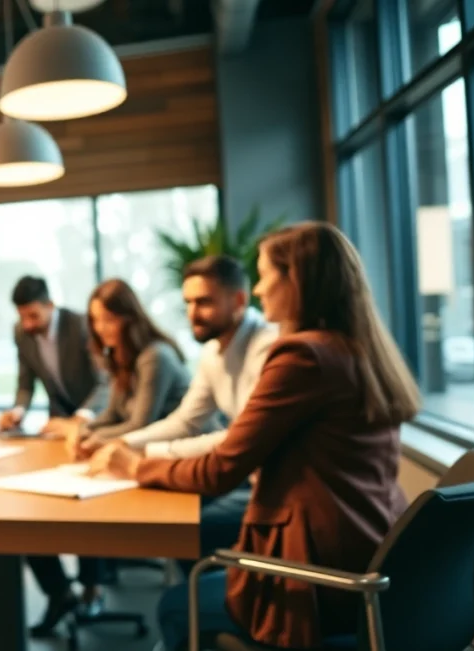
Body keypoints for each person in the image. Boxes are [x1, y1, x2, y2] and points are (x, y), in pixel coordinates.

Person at [93, 222, 420, 649]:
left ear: (297, 281)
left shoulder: (302, 356)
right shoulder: (356, 349)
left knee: (175, 605)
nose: (261, 289)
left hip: (323, 579)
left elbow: (222, 467)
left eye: (266, 275)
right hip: (371, 552)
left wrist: (138, 466)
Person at [88, 255, 278, 570]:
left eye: (204, 302)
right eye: (188, 302)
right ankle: (198, 602)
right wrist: (126, 444)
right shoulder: (213, 351)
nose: (193, 313)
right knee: (176, 520)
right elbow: (186, 420)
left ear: (240, 300)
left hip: (260, 484)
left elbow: (241, 438)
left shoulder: (268, 347)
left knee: (186, 527)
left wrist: (144, 454)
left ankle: (206, 607)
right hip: (232, 470)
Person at [27, 278, 192, 638]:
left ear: (129, 317)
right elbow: (111, 415)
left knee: (87, 507)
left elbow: (139, 423)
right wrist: (82, 431)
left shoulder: (154, 357)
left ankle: (89, 587)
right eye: (96, 321)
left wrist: (92, 438)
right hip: (138, 458)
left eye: (108, 320)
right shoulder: (124, 357)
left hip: (173, 464)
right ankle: (70, 592)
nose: (101, 329)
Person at [0, 276, 104, 434]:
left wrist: (82, 415)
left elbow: (106, 383)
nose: (27, 324)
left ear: (50, 305)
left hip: (94, 421)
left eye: (34, 316)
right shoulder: (21, 333)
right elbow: (26, 384)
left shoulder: (81, 326)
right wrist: (17, 412)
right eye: (22, 317)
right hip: (57, 424)